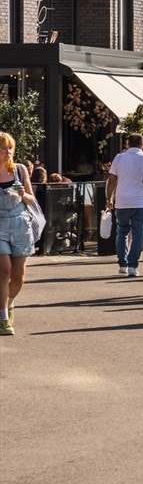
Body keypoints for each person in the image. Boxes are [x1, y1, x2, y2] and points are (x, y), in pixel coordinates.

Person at [0, 132, 38, 336]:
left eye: (10, 148)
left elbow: (32, 200)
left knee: (18, 275)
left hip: (20, 224)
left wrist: (23, 194)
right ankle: (4, 317)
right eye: (4, 148)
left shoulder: (20, 170)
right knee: (4, 270)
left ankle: (10, 302)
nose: (8, 151)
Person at [106, 133, 143, 278]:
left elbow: (112, 179)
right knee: (138, 234)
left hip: (122, 200)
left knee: (122, 232)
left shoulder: (119, 158)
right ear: (142, 145)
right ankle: (133, 266)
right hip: (140, 201)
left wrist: (109, 198)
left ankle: (122, 264)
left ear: (127, 144)